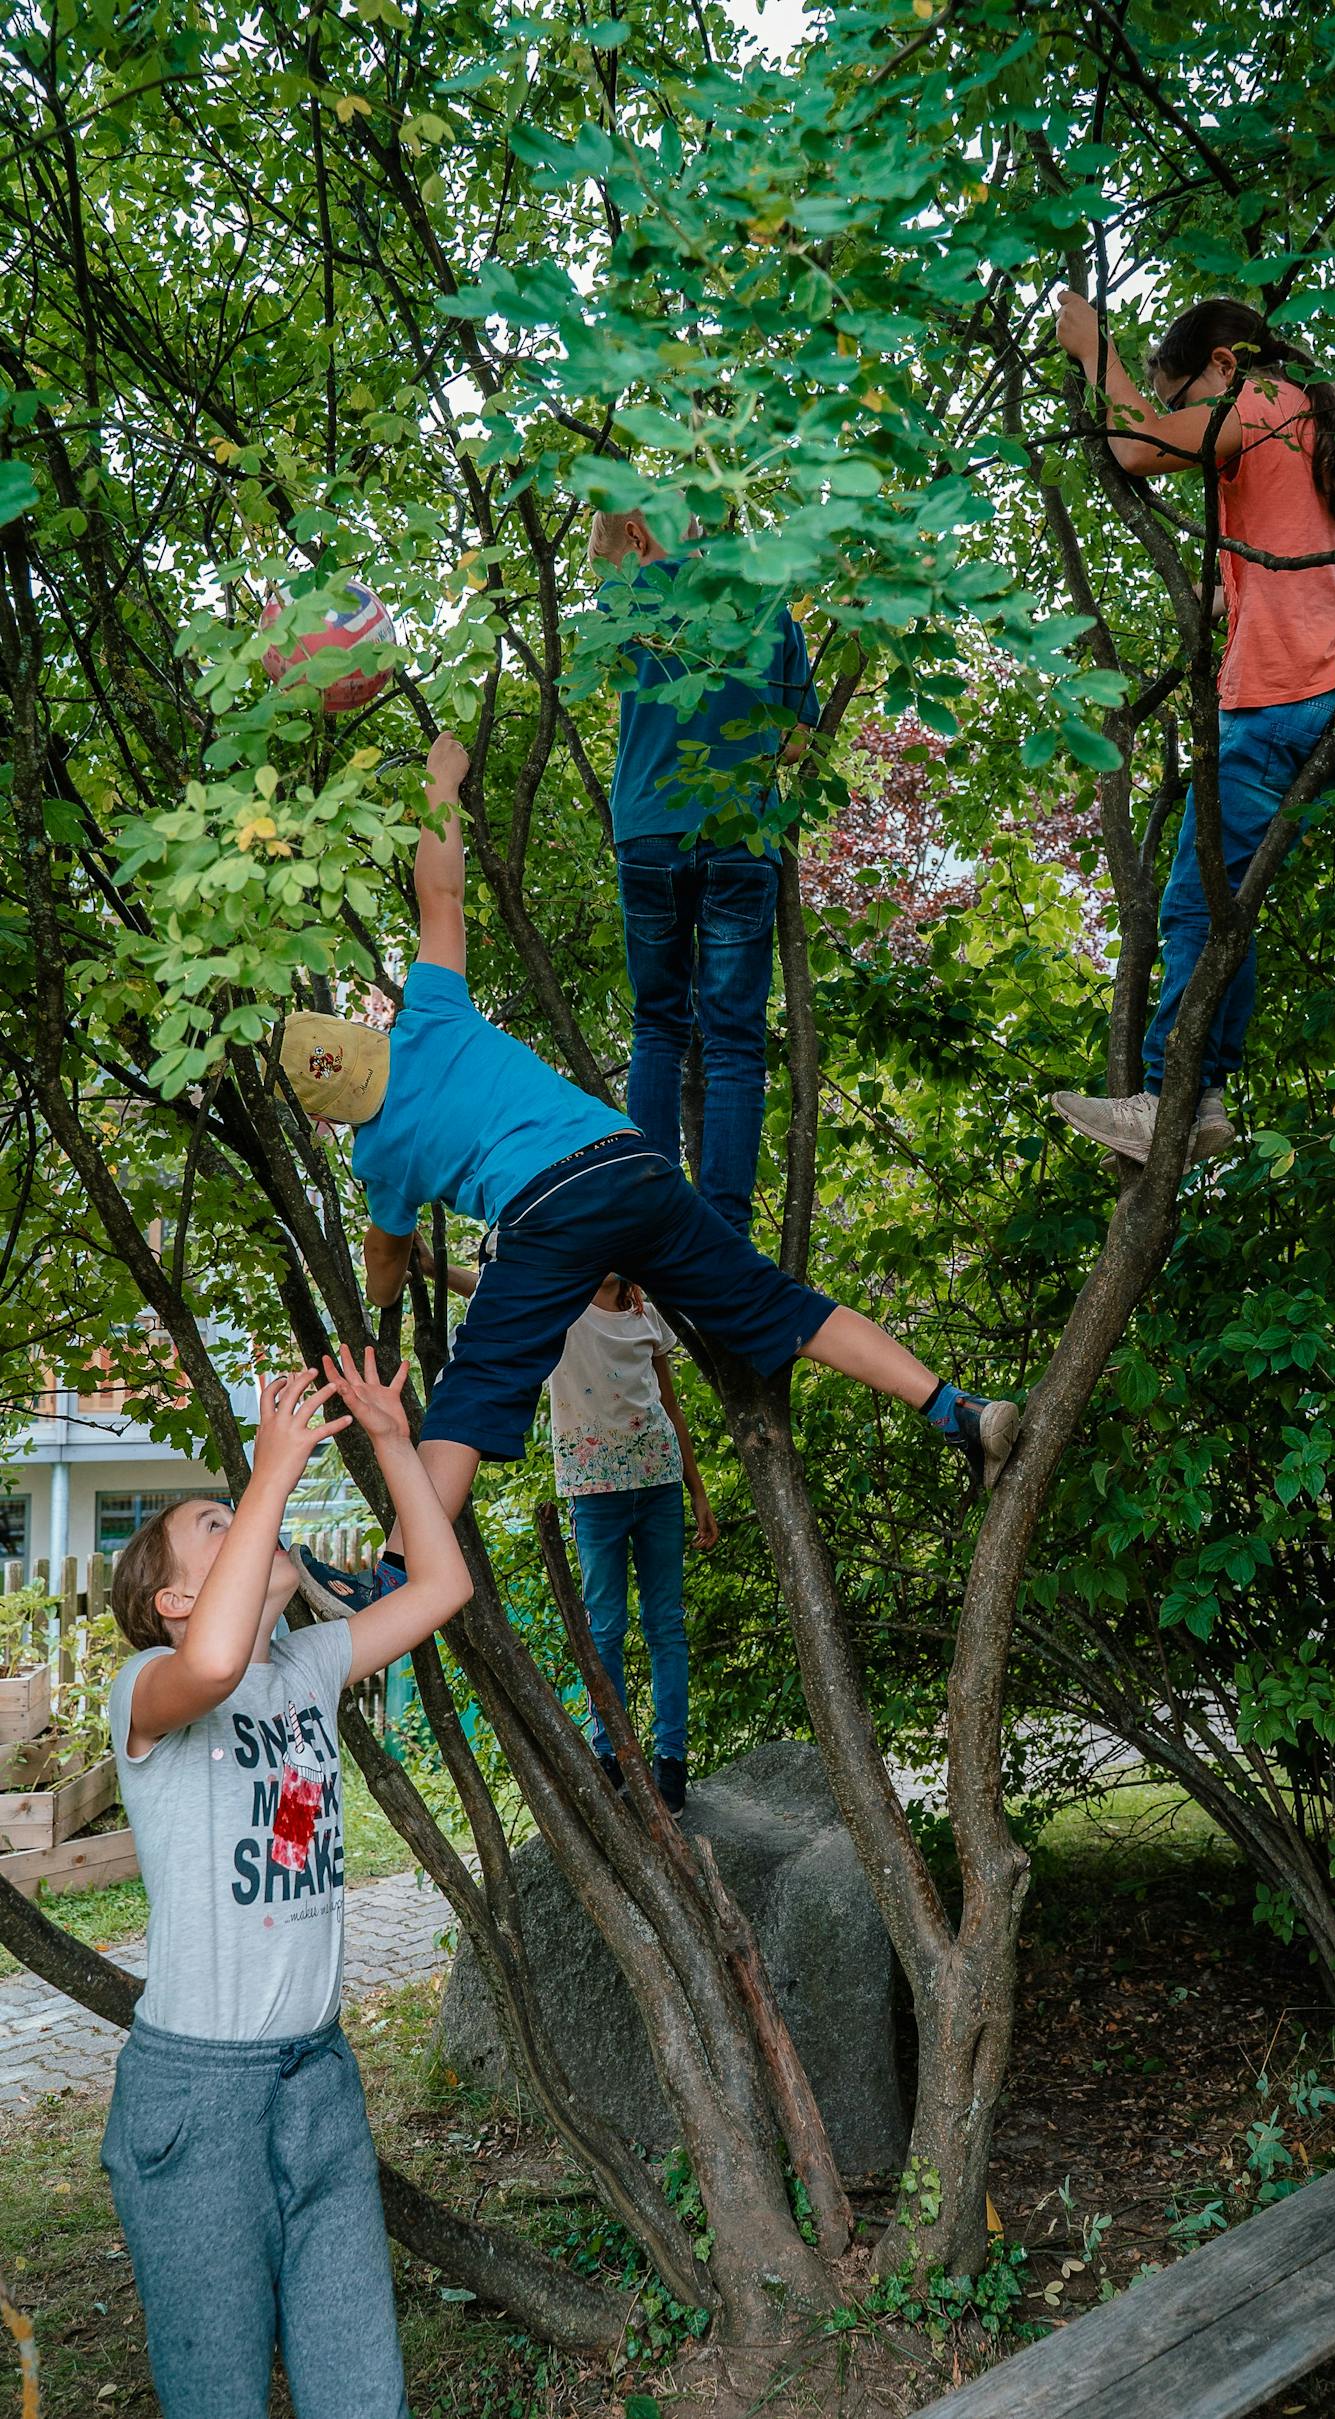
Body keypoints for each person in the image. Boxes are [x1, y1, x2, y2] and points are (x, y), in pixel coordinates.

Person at [284, 735, 1018, 1625]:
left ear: (330, 1114)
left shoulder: (377, 1158)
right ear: (370, 1041)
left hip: (547, 1210)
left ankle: (392, 1577)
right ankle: (956, 1408)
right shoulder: (431, 1012)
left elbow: (386, 1256)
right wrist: (441, 779)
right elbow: (439, 892)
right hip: (632, 1163)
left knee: (475, 1390)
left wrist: (383, 1305)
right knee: (781, 1306)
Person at [101, 1347, 471, 2419]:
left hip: (318, 2079)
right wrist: (267, 1467)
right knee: (216, 2394)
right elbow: (213, 1666)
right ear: (175, 1598)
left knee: (361, 2390)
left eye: (245, 1509)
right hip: (196, 2097)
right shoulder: (149, 1689)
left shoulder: (306, 1667)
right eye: (218, 1523)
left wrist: (395, 1442)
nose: (249, 1520)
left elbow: (441, 1585)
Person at [1048, 294, 1335, 1165]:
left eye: (1185, 392)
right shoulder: (1316, 427)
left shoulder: (1264, 404)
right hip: (1325, 706)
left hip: (1274, 705)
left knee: (1193, 905)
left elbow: (1136, 446)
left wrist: (1094, 352)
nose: (1182, 412)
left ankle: (1167, 1096)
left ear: (1226, 367)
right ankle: (1208, 1095)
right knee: (1232, 915)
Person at [590, 504, 820, 1236]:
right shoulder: (764, 595)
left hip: (649, 829)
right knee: (733, 1039)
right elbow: (795, 743)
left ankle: (649, 1214)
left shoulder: (621, 602)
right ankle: (723, 1225)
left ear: (633, 537)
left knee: (658, 1023)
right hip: (736, 833)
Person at [548, 1275, 716, 1817]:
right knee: (605, 1628)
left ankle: (671, 1759)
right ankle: (612, 1754)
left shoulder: (646, 1309)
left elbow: (670, 1401)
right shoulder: (558, 1295)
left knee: (665, 1624)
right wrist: (428, 1266)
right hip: (595, 1493)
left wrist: (698, 1491)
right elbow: (482, 1284)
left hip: (660, 1480)